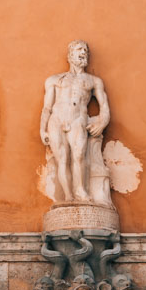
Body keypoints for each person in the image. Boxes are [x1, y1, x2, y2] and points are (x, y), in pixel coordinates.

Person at [40, 40, 110, 205]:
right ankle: (68, 196)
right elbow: (47, 107)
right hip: (56, 120)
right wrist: (42, 129)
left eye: (85, 50)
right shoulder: (54, 80)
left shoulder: (94, 81)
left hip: (78, 119)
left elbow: (104, 107)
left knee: (79, 156)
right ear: (70, 55)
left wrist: (101, 123)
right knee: (62, 159)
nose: (84, 53)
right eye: (79, 49)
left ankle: (80, 191)